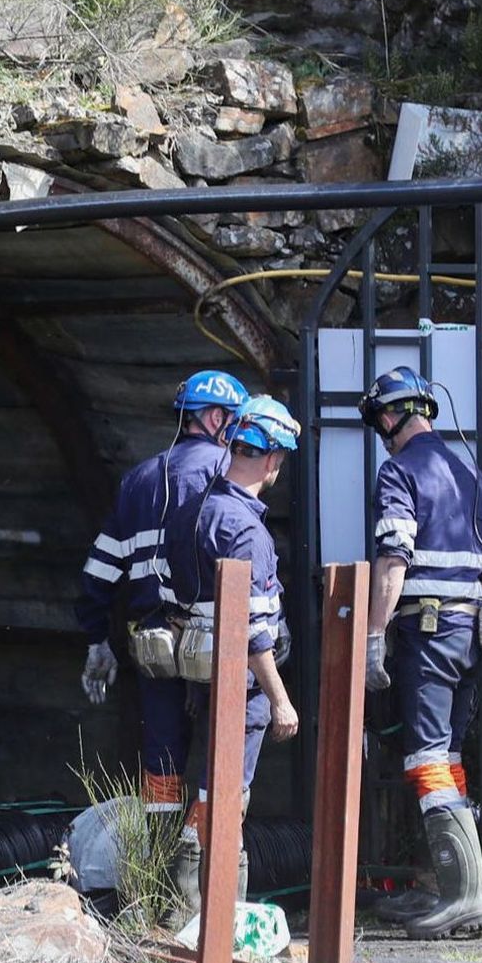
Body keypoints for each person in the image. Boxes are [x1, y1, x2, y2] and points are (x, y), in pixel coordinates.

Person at [358, 366, 482, 939]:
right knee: (447, 755)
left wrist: (375, 635)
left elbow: (393, 559)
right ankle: (454, 887)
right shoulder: (470, 471)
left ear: (391, 416)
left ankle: (464, 897)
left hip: (426, 634)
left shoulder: (398, 471)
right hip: (474, 635)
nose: (380, 428)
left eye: (379, 417)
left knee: (424, 756)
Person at [156, 395, 304, 922]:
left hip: (201, 681)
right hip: (241, 690)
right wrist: (281, 701)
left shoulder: (190, 513)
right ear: (273, 462)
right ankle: (213, 916)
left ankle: (190, 910)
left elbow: (173, 607)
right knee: (229, 796)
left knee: (207, 786)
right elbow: (255, 635)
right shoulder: (246, 532)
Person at [75, 370, 248, 818]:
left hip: (153, 643)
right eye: (236, 423)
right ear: (215, 418)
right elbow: (248, 554)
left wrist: (97, 640)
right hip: (214, 643)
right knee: (224, 754)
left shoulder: (137, 481)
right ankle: (207, 863)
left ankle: (159, 869)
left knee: (163, 764)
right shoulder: (227, 473)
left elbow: (101, 568)